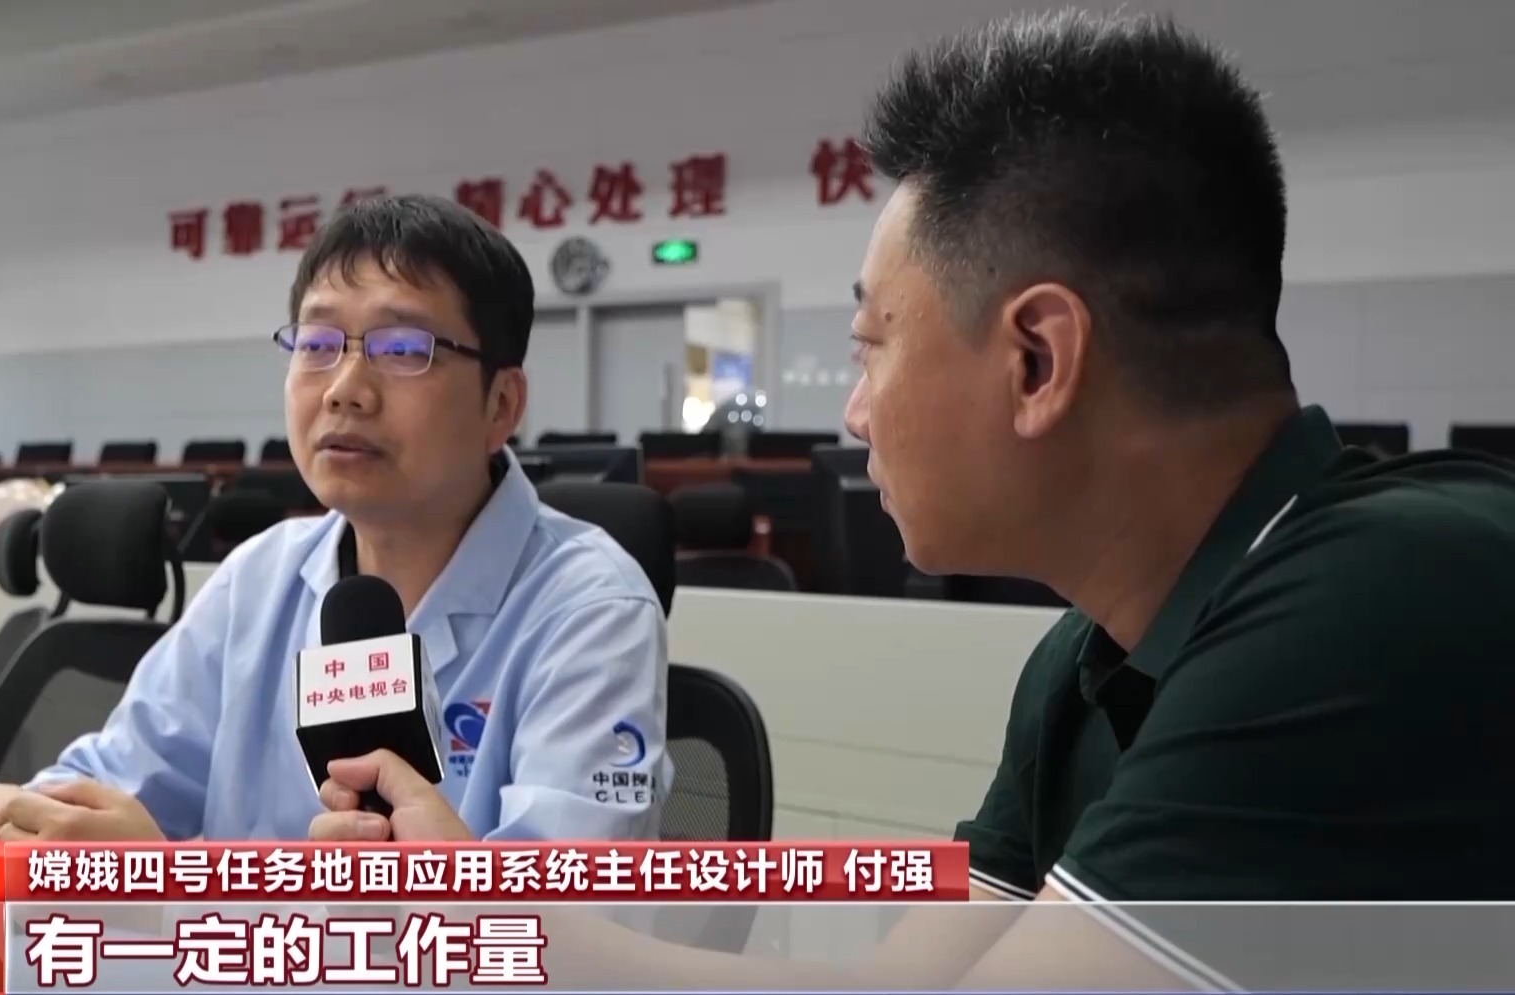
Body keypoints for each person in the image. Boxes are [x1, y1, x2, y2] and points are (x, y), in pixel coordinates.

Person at [306, 10, 1515, 989]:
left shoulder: (1374, 598)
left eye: (873, 344)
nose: (854, 410)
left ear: (1037, 360)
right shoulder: (1086, 661)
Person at [0, 194, 671, 844]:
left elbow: (562, 919)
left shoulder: (591, 610)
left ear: (501, 405)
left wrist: (172, 893)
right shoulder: (258, 579)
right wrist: (29, 820)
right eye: (318, 346)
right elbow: (115, 775)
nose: (345, 391)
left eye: (403, 350)